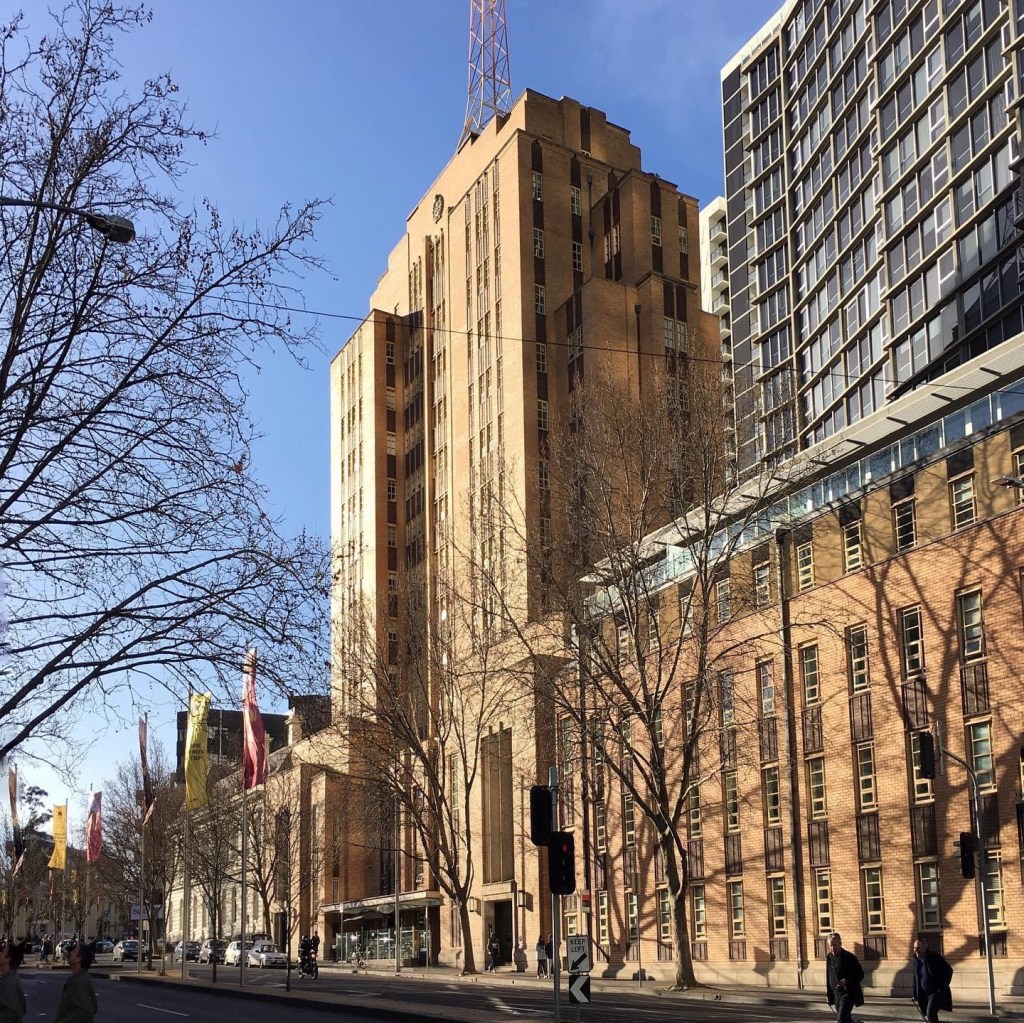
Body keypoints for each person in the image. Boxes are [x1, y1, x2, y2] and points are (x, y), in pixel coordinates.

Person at [912, 938, 954, 1023]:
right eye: (914, 948)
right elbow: (915, 978)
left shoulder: (935, 957)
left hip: (935, 993)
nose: (916, 950)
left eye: (918, 948)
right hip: (923, 993)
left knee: (930, 1014)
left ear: (925, 947)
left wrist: (941, 987)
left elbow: (949, 970)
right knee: (930, 1016)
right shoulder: (915, 961)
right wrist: (914, 994)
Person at [826, 932, 864, 1023]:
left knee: (841, 1019)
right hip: (836, 993)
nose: (832, 948)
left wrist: (846, 980)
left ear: (840, 944)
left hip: (848, 993)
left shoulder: (849, 957)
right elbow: (828, 975)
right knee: (846, 1019)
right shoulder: (829, 957)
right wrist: (829, 994)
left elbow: (860, 974)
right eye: (830, 946)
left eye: (835, 945)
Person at [54, 942, 96, 1023]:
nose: (70, 952)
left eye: (74, 951)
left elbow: (85, 1011)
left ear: (78, 959)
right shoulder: (78, 978)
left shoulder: (80, 982)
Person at [0, 940, 27, 1023]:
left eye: (2, 951)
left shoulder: (8, 983)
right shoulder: (9, 978)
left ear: (7, 959)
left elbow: (12, 1012)